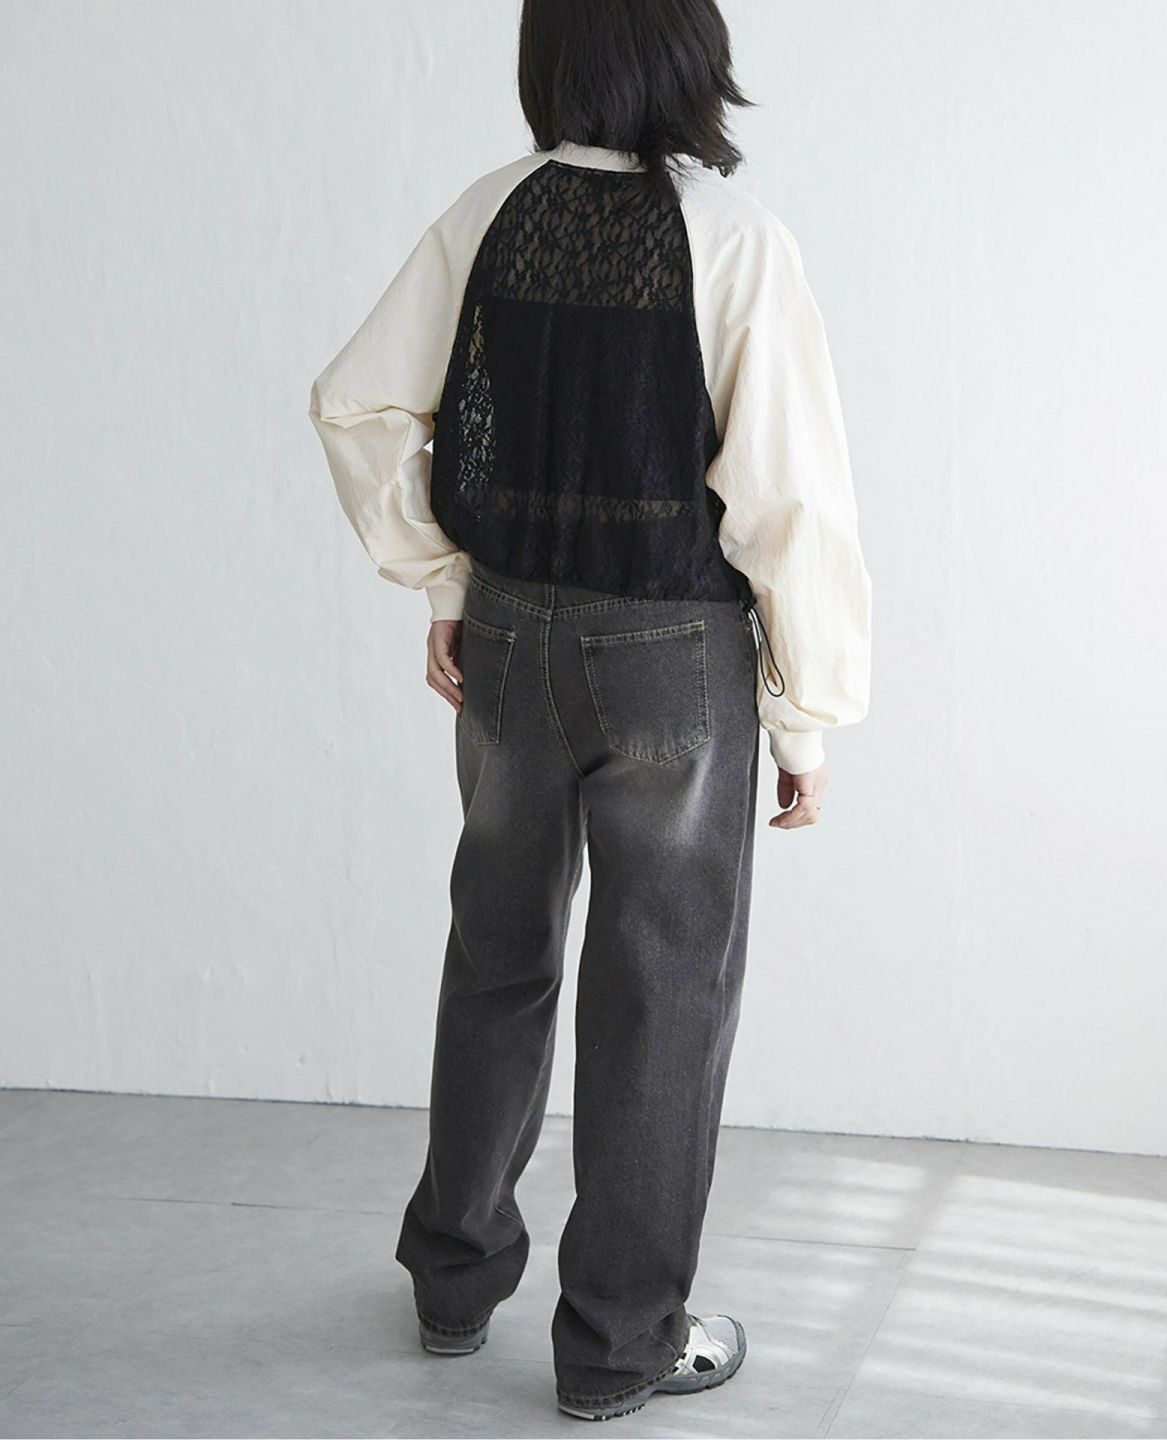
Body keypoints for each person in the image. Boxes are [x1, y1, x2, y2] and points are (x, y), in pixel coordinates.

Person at [309, 0, 871, 1421]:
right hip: (673, 654)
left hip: (507, 634)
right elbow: (789, 506)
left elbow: (358, 405)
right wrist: (806, 716)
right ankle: (618, 1343)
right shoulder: (736, 242)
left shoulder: (489, 212)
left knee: (496, 948)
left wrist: (445, 581)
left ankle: (452, 1278)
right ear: (692, 57)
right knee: (661, 990)